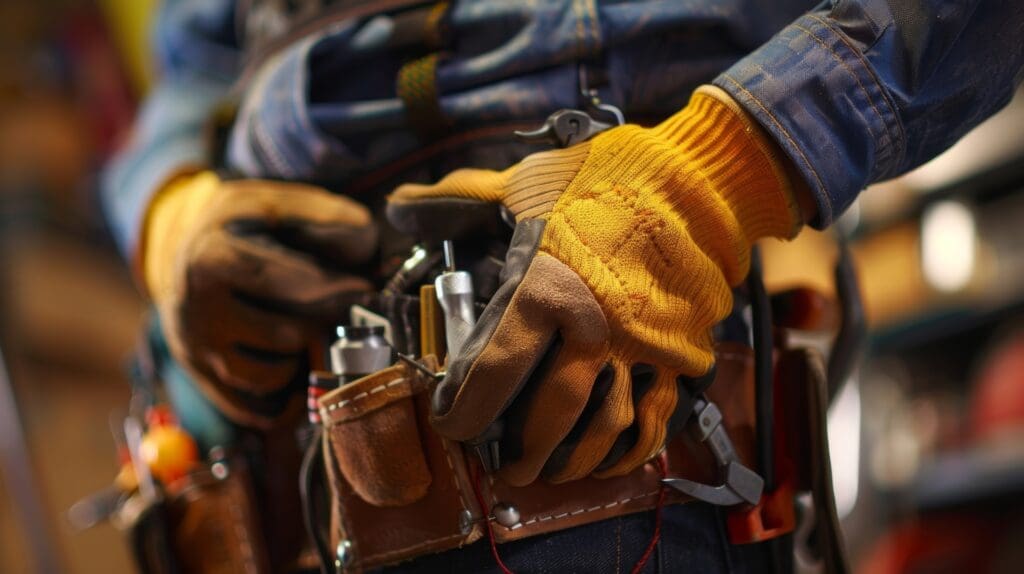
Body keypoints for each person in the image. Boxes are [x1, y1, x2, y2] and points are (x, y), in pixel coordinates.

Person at [103, 1, 1024, 572]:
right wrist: (166, 207)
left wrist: (723, 170)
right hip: (265, 468)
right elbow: (191, 68)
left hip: (582, 405)